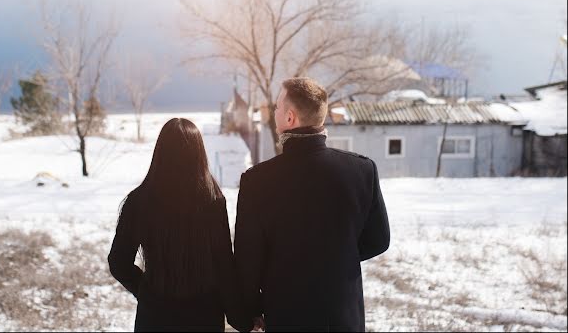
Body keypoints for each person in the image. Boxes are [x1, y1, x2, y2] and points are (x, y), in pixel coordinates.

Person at [234, 78, 391, 332]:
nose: (273, 112)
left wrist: (250, 311)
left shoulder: (256, 181)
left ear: (290, 118)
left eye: (276, 107)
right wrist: (334, 259)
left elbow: (247, 259)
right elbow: (378, 240)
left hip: (287, 313)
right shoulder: (362, 170)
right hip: (343, 313)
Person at [108, 117, 253, 332]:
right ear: (198, 155)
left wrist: (147, 292)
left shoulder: (139, 201)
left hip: (155, 317)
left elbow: (119, 262)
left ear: (160, 153)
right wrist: (241, 319)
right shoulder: (212, 201)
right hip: (204, 315)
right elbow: (224, 265)